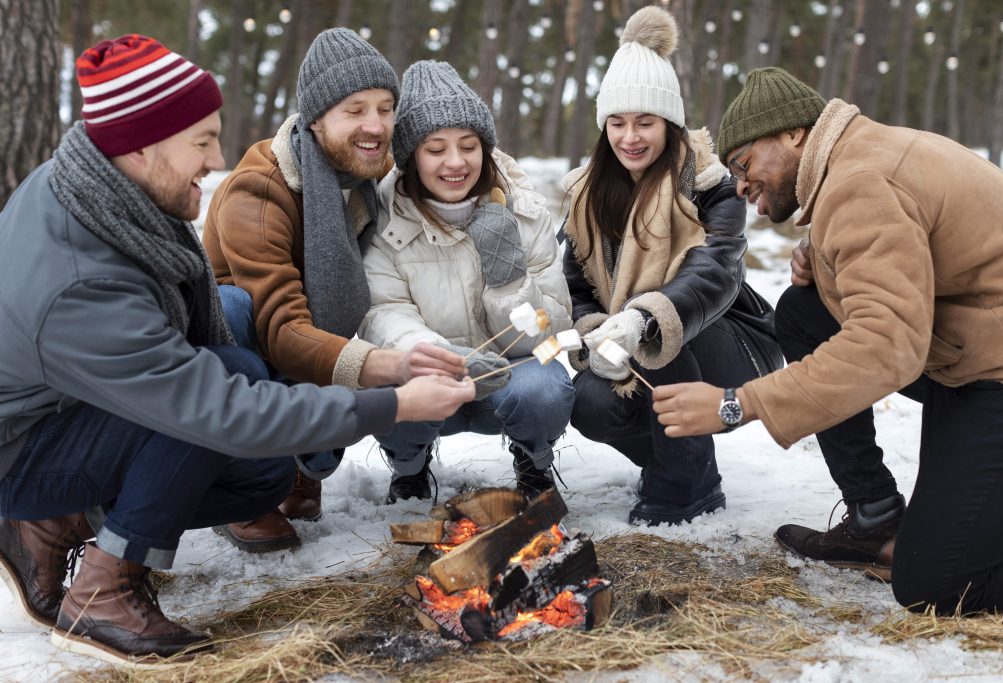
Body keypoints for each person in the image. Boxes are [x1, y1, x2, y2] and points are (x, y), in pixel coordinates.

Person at [0, 35, 474, 665]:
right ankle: (103, 592)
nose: (217, 157)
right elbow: (222, 408)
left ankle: (53, 524)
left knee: (257, 466)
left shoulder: (96, 182)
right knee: (213, 403)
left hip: (57, 409)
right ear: (140, 146)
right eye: (201, 141)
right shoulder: (83, 286)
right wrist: (392, 402)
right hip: (19, 451)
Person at [652, 66, 1003, 615]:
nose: (739, 185)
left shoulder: (858, 183)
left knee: (935, 585)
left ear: (794, 135)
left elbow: (885, 347)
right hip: (973, 354)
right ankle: (875, 516)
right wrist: (826, 267)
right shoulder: (856, 163)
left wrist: (738, 404)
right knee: (804, 312)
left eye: (745, 163)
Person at [203, 29, 468, 550]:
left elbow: (455, 165)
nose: (376, 126)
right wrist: (394, 366)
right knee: (231, 311)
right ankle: (235, 484)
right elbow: (280, 328)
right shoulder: (258, 191)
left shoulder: (364, 175)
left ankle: (307, 465)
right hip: (253, 349)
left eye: (386, 108)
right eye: (355, 110)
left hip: (313, 340)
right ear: (316, 118)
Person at [562, 7, 782, 526]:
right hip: (633, 344)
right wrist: (597, 330)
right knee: (589, 403)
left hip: (729, 344)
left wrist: (642, 319)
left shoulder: (711, 184)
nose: (630, 137)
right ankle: (676, 460)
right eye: (617, 122)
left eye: (645, 122)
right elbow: (574, 282)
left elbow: (716, 271)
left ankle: (686, 489)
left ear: (670, 123)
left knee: (664, 337)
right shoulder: (586, 195)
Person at [359, 60, 574, 500]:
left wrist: (508, 279)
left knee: (545, 386)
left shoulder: (523, 211)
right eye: (436, 149)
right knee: (387, 382)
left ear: (485, 148)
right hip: (431, 378)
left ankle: (533, 461)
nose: (455, 163)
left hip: (511, 372)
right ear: (412, 157)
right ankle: (410, 467)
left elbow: (551, 328)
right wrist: (442, 356)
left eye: (468, 146)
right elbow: (383, 314)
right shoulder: (382, 217)